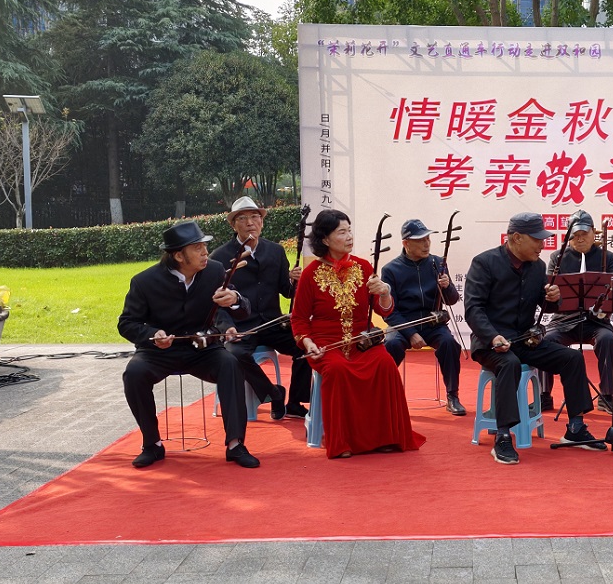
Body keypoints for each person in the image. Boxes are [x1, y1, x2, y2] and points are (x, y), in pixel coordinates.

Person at [464, 212, 607, 465]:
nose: (543, 245)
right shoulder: (484, 263)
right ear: (516, 238)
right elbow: (473, 309)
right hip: (490, 343)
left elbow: (546, 306)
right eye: (537, 239)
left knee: (572, 358)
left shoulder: (538, 267)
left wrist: (553, 299)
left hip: (524, 340)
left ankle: (575, 427)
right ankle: (503, 436)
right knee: (508, 363)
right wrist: (493, 337)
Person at [118, 221, 260, 469]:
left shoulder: (215, 271)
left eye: (204, 246)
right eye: (197, 248)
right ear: (178, 256)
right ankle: (152, 444)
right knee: (134, 373)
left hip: (203, 348)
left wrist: (235, 299)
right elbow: (127, 323)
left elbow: (243, 309)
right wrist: (152, 334)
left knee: (230, 363)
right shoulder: (144, 281)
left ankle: (235, 444)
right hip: (159, 351)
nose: (205, 252)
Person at [291, 209, 426, 459]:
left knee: (385, 364)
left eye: (349, 230)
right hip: (325, 343)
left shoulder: (363, 267)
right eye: (342, 232)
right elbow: (298, 319)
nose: (349, 236)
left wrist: (384, 292)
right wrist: (308, 343)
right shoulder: (311, 273)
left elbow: (384, 310)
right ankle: (344, 441)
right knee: (338, 370)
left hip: (362, 341)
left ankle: (386, 437)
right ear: (325, 239)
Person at [210, 196, 310, 420]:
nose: (250, 223)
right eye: (242, 218)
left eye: (255, 216)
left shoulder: (275, 251)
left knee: (305, 344)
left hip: (273, 323)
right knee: (234, 355)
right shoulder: (220, 257)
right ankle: (273, 393)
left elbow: (287, 291)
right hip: (241, 326)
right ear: (233, 225)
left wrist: (295, 281)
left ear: (262, 222)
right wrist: (227, 328)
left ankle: (295, 402)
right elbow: (216, 303)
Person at [538, 209, 613, 416]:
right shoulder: (557, 257)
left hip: (596, 322)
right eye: (575, 235)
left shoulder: (607, 257)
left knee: (607, 339)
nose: (580, 239)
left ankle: (607, 396)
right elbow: (547, 289)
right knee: (545, 340)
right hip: (563, 321)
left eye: (584, 234)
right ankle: (544, 395)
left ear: (594, 233)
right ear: (568, 237)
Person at [380, 218, 466, 416]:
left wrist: (447, 286)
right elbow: (389, 312)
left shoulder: (438, 263)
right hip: (403, 324)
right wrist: (410, 333)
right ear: (406, 243)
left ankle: (452, 396)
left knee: (449, 344)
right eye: (420, 240)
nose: (426, 244)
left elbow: (452, 300)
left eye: (428, 239)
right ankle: (384, 396)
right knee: (391, 345)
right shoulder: (390, 270)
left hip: (433, 323)